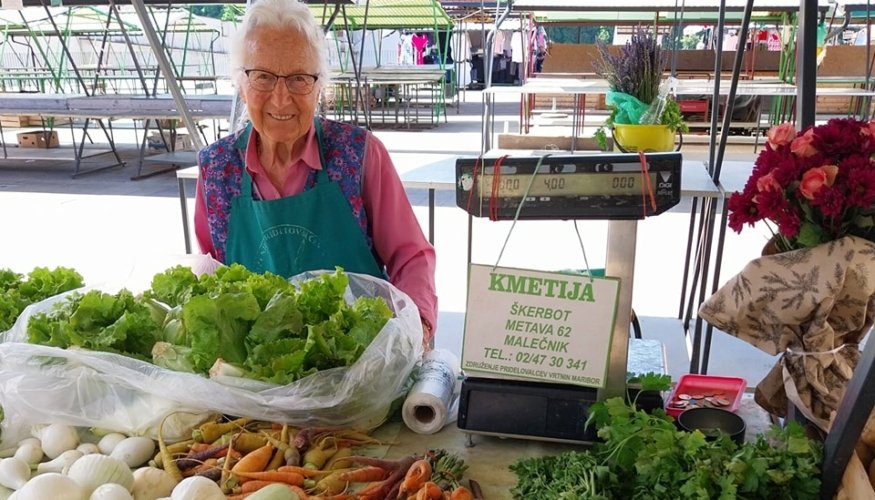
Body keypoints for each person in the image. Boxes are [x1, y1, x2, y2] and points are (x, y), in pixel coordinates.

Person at [193, 0, 437, 347]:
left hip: (360, 362)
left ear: (320, 86)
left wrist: (419, 328)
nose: (280, 99)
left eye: (298, 79)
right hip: (259, 374)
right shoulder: (216, 170)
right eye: (262, 77)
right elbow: (211, 279)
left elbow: (410, 257)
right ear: (240, 84)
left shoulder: (359, 154)